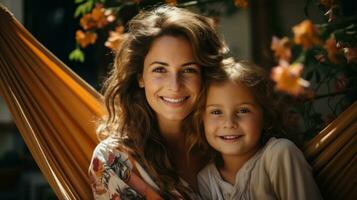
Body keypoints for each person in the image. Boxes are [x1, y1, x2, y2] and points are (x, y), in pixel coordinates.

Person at [88, 5, 227, 199]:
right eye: (160, 70)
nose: (175, 85)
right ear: (140, 77)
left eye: (188, 70)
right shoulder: (114, 161)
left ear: (205, 75)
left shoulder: (231, 140)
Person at [191, 59, 322, 199]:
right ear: (201, 120)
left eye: (243, 110)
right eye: (216, 112)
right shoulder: (206, 179)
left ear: (265, 117)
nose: (229, 123)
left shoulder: (279, 155)